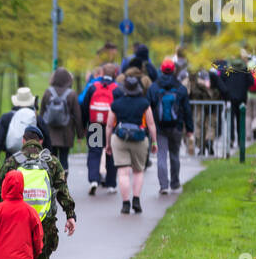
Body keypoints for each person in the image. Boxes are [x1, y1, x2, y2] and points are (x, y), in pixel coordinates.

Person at [0, 126, 76, 259]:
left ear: (23, 141)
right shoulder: (52, 162)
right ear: (41, 142)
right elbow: (62, 191)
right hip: (45, 223)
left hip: (18, 222)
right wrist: (70, 215)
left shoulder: (12, 162)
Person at [105, 74, 158, 215]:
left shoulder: (116, 104)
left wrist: (107, 144)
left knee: (123, 172)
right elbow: (151, 124)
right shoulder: (144, 103)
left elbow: (109, 126)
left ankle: (125, 203)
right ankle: (136, 199)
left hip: (120, 139)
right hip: (140, 140)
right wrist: (154, 142)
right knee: (138, 171)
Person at [147, 58, 194, 195]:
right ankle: (174, 183)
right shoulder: (180, 88)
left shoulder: (154, 88)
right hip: (176, 127)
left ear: (161, 69)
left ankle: (163, 185)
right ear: (174, 70)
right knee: (174, 155)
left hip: (159, 127)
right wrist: (189, 129)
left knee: (161, 155)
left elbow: (148, 107)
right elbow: (187, 110)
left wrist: (148, 127)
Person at [82, 63, 120, 195]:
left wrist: (84, 125)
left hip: (95, 124)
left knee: (94, 152)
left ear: (102, 73)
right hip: (111, 126)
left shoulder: (93, 87)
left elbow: (85, 107)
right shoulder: (117, 89)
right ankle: (111, 184)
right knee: (111, 153)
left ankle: (93, 180)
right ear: (115, 74)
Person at [39, 67, 83, 167]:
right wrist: (79, 134)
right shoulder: (71, 94)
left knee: (51, 158)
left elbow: (41, 112)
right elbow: (77, 115)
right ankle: (63, 179)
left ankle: (52, 178)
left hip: (50, 132)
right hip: (66, 133)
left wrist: (40, 132)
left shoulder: (48, 92)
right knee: (64, 158)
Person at [0, 87, 41, 165]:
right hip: (33, 159)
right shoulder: (35, 117)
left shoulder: (6, 117)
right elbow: (46, 137)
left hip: (11, 158)